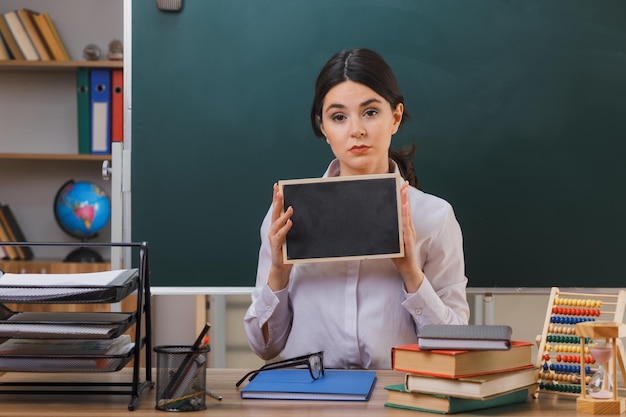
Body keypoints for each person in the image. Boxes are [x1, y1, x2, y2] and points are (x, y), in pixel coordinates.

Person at [243, 48, 469, 369]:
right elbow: (264, 348)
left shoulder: (434, 217)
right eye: (338, 117)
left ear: (395, 117)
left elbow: (455, 346)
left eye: (371, 112)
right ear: (323, 128)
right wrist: (278, 274)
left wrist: (411, 273)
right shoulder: (287, 214)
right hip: (309, 398)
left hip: (396, 397)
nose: (356, 130)